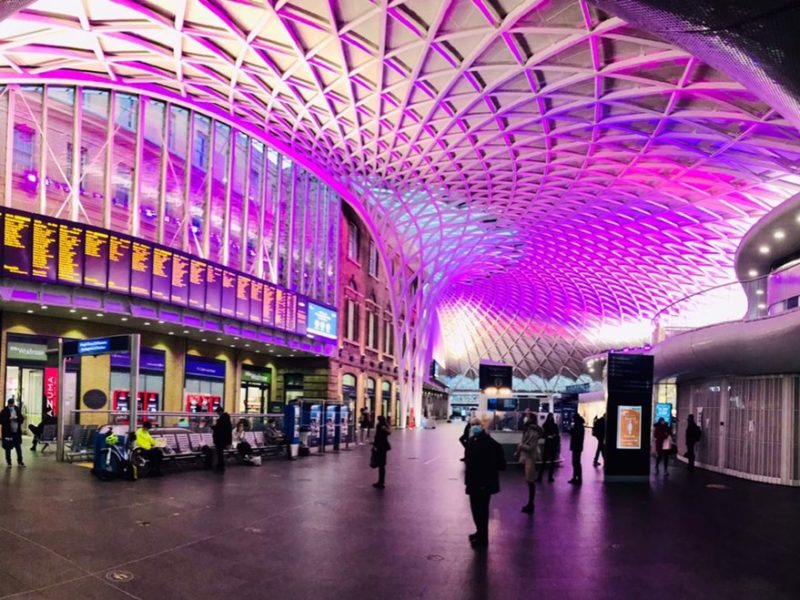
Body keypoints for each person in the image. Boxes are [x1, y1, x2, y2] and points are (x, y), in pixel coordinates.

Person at [464, 415, 506, 548]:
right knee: (476, 510)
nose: (474, 427)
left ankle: (483, 538)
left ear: (481, 427)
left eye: (476, 425)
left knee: (481, 510)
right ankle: (479, 532)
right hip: (473, 482)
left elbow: (500, 464)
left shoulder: (488, 443)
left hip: (482, 483)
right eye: (472, 425)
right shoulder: (472, 441)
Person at [517, 416, 543, 513]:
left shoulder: (533, 432)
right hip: (528, 458)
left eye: (527, 417)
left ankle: (531, 504)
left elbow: (530, 447)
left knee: (530, 481)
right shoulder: (529, 430)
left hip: (530, 458)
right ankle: (530, 504)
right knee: (529, 481)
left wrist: (520, 446)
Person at [1, 398, 25, 468]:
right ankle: (9, 462)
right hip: (8, 432)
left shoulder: (17, 409)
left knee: (18, 447)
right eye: (10, 405)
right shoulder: (4, 411)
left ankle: (20, 462)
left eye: (12, 404)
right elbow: (1, 420)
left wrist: (16, 418)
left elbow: (21, 419)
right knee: (8, 448)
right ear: (8, 404)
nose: (11, 406)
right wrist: (9, 419)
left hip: (16, 432)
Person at [536, 413, 559, 482]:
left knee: (544, 461)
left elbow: (543, 434)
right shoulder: (555, 425)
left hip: (548, 444)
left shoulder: (545, 425)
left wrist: (547, 436)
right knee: (551, 462)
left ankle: (540, 477)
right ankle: (550, 477)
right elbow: (557, 434)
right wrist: (552, 436)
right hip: (552, 445)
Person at [371, 415, 391, 489]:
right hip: (384, 447)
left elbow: (377, 436)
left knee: (380, 465)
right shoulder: (385, 426)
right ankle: (381, 481)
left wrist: (375, 445)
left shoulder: (379, 426)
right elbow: (388, 433)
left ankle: (380, 482)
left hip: (380, 447)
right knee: (382, 465)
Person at [212, 406, 232, 472]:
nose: (217, 414)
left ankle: (220, 466)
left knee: (220, 453)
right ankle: (221, 466)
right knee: (220, 453)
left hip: (220, 440)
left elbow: (218, 429)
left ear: (220, 412)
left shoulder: (221, 419)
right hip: (225, 439)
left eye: (217, 412)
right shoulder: (227, 418)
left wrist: (213, 427)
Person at [568, 414, 586, 484]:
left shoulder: (578, 426)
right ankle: (577, 478)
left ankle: (577, 478)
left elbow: (575, 434)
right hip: (578, 447)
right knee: (577, 463)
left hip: (576, 446)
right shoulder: (580, 426)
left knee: (575, 463)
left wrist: (570, 430)